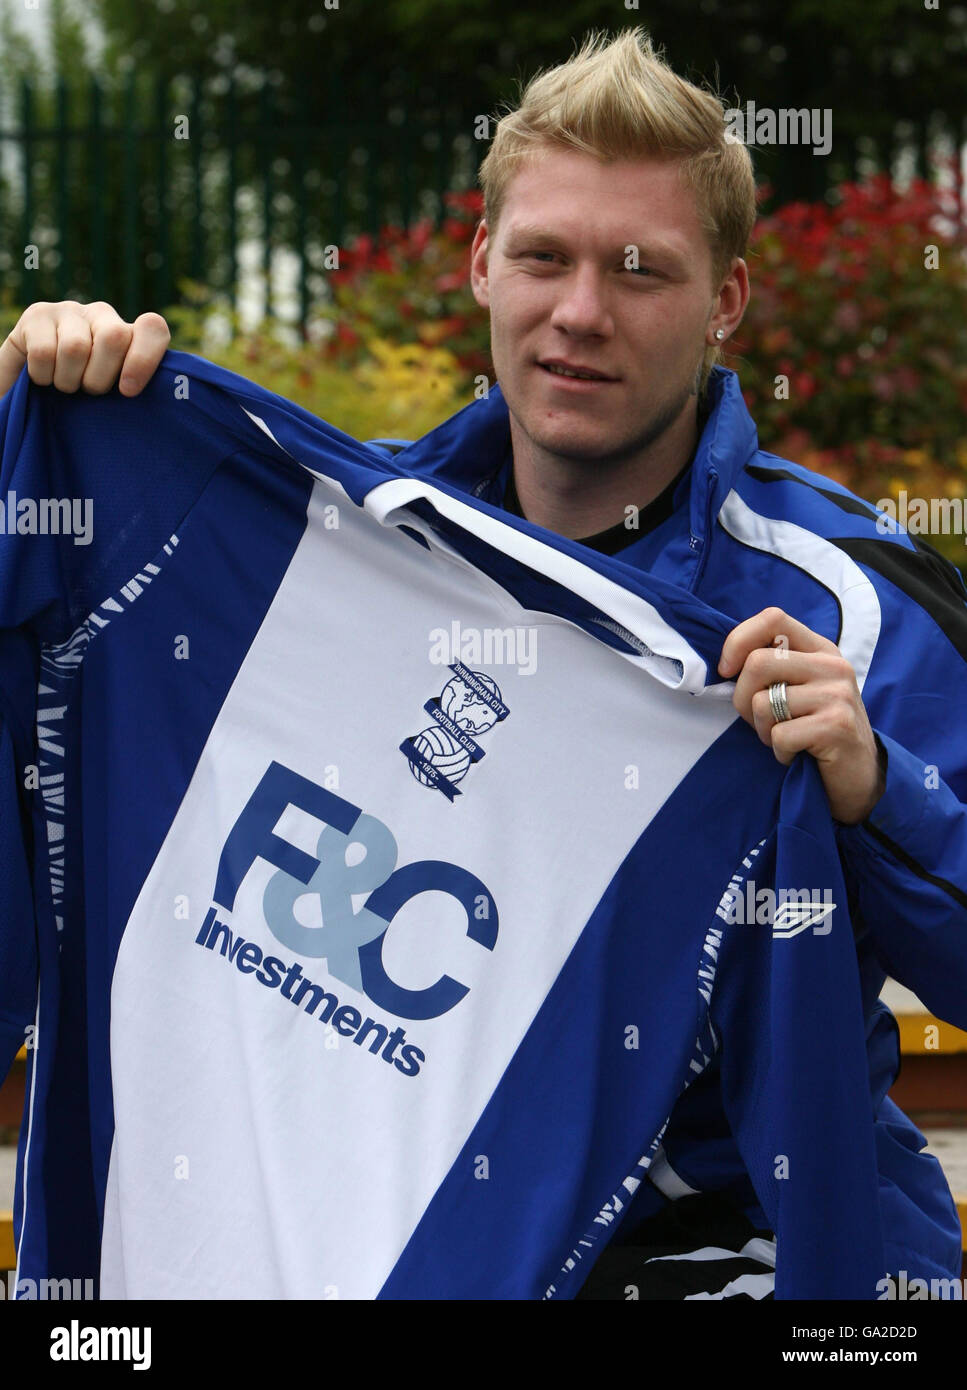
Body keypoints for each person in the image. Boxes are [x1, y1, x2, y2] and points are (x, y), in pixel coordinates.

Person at [2, 27, 964, 1299]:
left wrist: (877, 789)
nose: (579, 312)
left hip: (734, 1255)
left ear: (727, 301)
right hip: (383, 1228)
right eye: (543, 258)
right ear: (480, 264)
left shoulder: (851, 602)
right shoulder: (326, 554)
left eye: (638, 271)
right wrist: (59, 433)